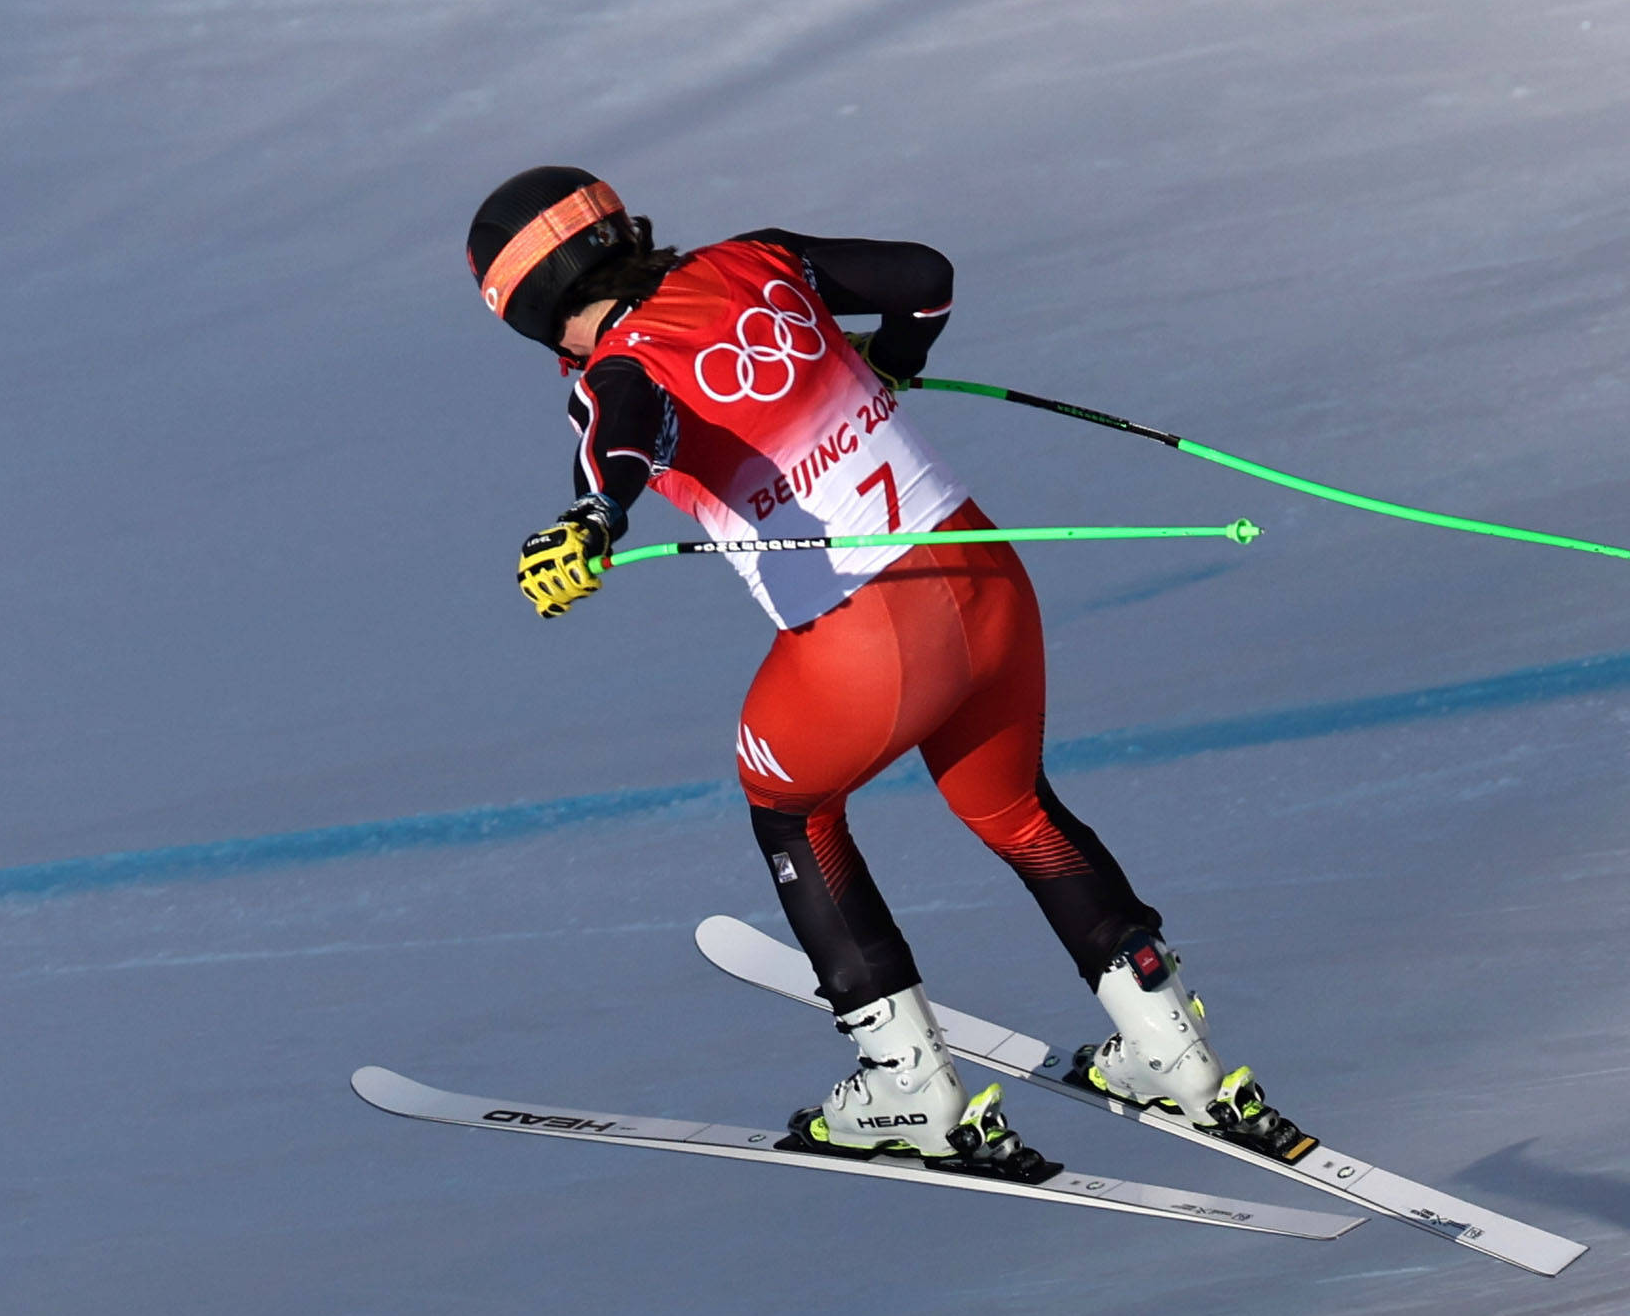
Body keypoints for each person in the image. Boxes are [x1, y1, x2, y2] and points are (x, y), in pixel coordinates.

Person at [464, 164, 1296, 1172]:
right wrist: (894, 360)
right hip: (985, 582)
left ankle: (909, 1088)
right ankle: (1172, 1053)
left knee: (788, 803)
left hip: (869, 641)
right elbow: (922, 274)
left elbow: (622, 435)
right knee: (1018, 809)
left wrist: (593, 519)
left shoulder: (615, 366)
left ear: (532, 310)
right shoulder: (754, 259)